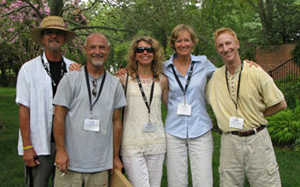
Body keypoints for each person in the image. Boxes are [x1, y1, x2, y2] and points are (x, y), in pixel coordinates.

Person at [206, 27, 287, 187]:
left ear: (237, 44)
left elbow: (281, 104)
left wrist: (257, 114)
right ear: (217, 49)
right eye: (220, 46)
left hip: (256, 140)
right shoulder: (215, 77)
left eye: (228, 43)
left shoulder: (256, 72)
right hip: (229, 142)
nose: (225, 48)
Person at [53, 33, 127, 186]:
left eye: (101, 47)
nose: (97, 51)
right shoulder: (70, 79)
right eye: (92, 47)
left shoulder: (114, 84)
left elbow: (116, 123)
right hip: (69, 164)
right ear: (85, 49)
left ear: (108, 50)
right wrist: (60, 151)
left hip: (100, 166)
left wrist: (114, 157)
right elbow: (59, 116)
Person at [15, 16, 76, 186]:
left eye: (59, 33)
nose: (54, 36)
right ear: (42, 38)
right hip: (40, 144)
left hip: (68, 143)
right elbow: (23, 108)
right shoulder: (28, 69)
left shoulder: (73, 69)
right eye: (49, 32)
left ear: (64, 39)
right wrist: (27, 146)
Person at [162, 24, 215, 187]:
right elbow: (143, 76)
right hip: (173, 132)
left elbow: (226, 74)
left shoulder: (203, 63)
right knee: (176, 182)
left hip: (201, 130)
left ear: (193, 43)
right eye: (179, 41)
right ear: (173, 43)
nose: (183, 44)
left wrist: (246, 64)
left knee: (204, 181)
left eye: (187, 40)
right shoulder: (164, 67)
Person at [116, 36, 168, 187]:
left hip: (156, 142)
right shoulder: (123, 78)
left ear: (155, 53)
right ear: (134, 54)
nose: (145, 52)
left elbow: (171, 107)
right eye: (140, 50)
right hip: (132, 143)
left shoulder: (162, 80)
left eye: (149, 49)